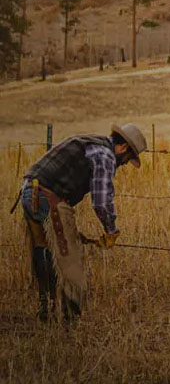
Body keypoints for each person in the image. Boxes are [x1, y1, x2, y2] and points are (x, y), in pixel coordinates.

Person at [19, 124, 147, 321]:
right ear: (122, 148)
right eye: (127, 159)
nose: (123, 164)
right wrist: (111, 231)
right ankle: (70, 318)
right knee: (71, 258)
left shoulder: (92, 143)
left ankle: (47, 309)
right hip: (49, 198)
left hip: (30, 191)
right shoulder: (105, 156)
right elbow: (101, 201)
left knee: (43, 248)